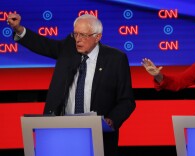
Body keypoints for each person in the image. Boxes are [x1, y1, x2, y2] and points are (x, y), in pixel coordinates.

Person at [7, 13, 136, 156]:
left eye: (83, 35)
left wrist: (111, 120)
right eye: (75, 34)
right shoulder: (68, 49)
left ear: (97, 37)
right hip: (62, 131)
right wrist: (19, 29)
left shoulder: (116, 59)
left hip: (99, 136)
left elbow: (127, 101)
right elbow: (43, 45)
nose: (78, 40)